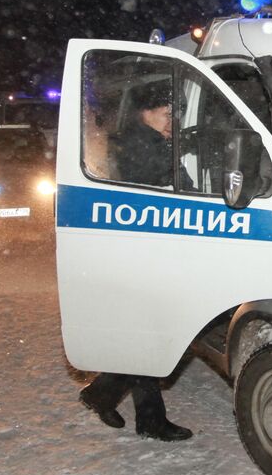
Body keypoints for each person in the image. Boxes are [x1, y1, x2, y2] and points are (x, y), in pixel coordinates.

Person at [82, 79, 192, 441]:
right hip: (144, 250)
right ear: (145, 113)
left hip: (149, 249)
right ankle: (149, 420)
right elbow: (169, 191)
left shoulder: (148, 141)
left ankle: (102, 394)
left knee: (145, 336)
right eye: (165, 113)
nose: (171, 120)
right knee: (147, 336)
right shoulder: (140, 146)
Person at [109, 81, 173, 186]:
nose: (172, 123)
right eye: (167, 115)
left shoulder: (136, 139)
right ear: (146, 114)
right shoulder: (142, 145)